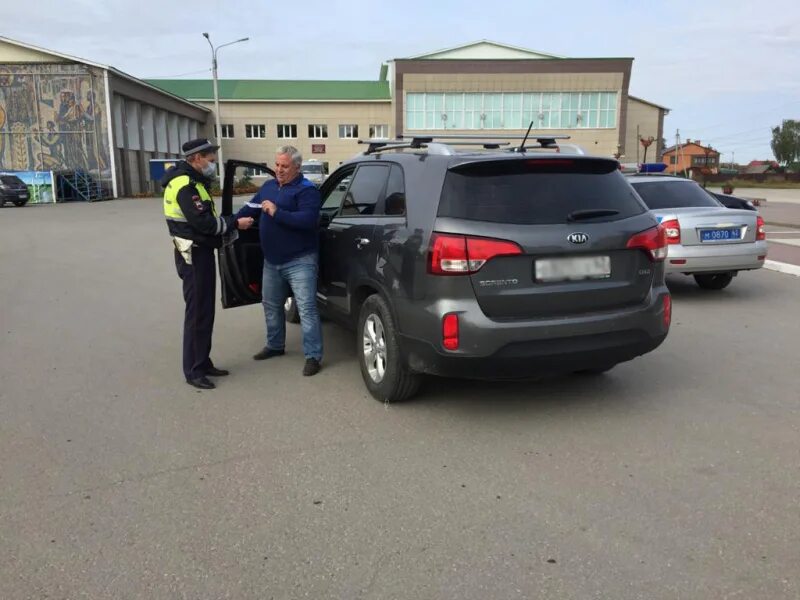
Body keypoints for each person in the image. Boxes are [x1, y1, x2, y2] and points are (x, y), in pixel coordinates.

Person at [163, 138, 254, 389]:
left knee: (205, 310)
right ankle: (193, 370)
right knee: (197, 312)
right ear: (196, 158)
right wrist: (235, 223)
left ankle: (202, 361)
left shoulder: (193, 181)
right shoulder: (184, 184)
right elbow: (204, 223)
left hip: (200, 251)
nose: (213, 162)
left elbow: (207, 218)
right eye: (210, 158)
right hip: (192, 253)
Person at [236, 145, 323, 376]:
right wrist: (228, 223)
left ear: (296, 167)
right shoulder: (268, 187)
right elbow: (250, 208)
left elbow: (307, 220)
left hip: (300, 260)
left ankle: (313, 356)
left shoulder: (307, 191)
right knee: (271, 305)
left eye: (285, 166)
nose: (279, 170)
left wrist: (276, 212)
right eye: (277, 165)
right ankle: (275, 345)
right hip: (272, 260)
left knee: (306, 309)